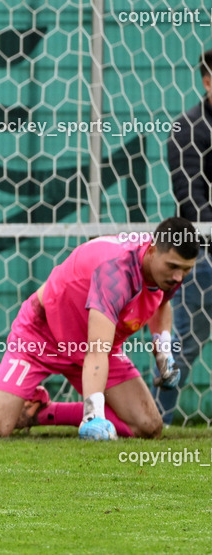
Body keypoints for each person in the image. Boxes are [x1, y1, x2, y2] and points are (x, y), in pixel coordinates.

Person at [0, 218, 197, 441]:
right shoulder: (116, 272)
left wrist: (163, 351)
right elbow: (97, 352)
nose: (179, 277)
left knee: (148, 427)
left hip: (93, 344)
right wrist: (93, 415)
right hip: (42, 336)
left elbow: (160, 303)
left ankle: (39, 413)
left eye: (186, 269)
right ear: (152, 250)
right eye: (173, 266)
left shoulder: (165, 272)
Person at [157, 49, 212, 424]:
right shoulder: (188, 128)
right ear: (207, 82)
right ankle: (153, 419)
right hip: (204, 255)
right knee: (183, 344)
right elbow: (190, 197)